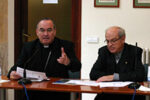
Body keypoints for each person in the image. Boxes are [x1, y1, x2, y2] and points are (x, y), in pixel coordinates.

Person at [7, 18, 81, 100]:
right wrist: (11, 74)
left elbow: (77, 67)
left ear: (54, 31)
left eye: (49, 30)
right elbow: (16, 68)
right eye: (42, 30)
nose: (46, 34)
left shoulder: (65, 45)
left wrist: (68, 62)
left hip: (58, 93)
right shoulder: (29, 47)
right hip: (34, 92)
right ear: (37, 32)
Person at [90, 26, 145, 100]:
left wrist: (114, 77)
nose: (109, 44)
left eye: (113, 40)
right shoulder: (103, 51)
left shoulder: (134, 51)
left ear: (123, 39)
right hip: (107, 94)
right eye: (107, 41)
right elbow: (93, 74)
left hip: (128, 94)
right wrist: (110, 77)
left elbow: (140, 75)